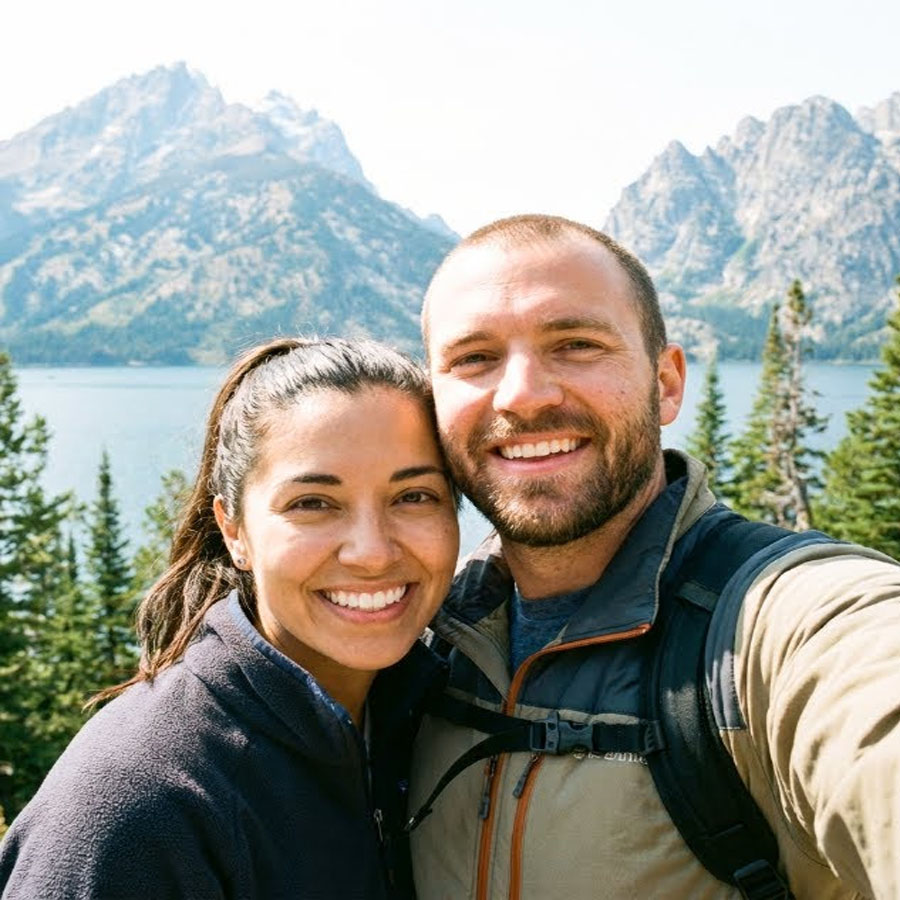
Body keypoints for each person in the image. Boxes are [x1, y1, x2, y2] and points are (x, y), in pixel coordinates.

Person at [409, 214, 900, 899]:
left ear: (667, 383)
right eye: (473, 359)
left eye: (576, 344)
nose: (522, 395)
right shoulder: (414, 640)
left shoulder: (782, 631)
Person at [0, 337, 459, 899]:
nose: (373, 552)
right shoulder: (143, 799)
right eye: (312, 503)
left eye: (414, 496)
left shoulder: (434, 721)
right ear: (233, 530)